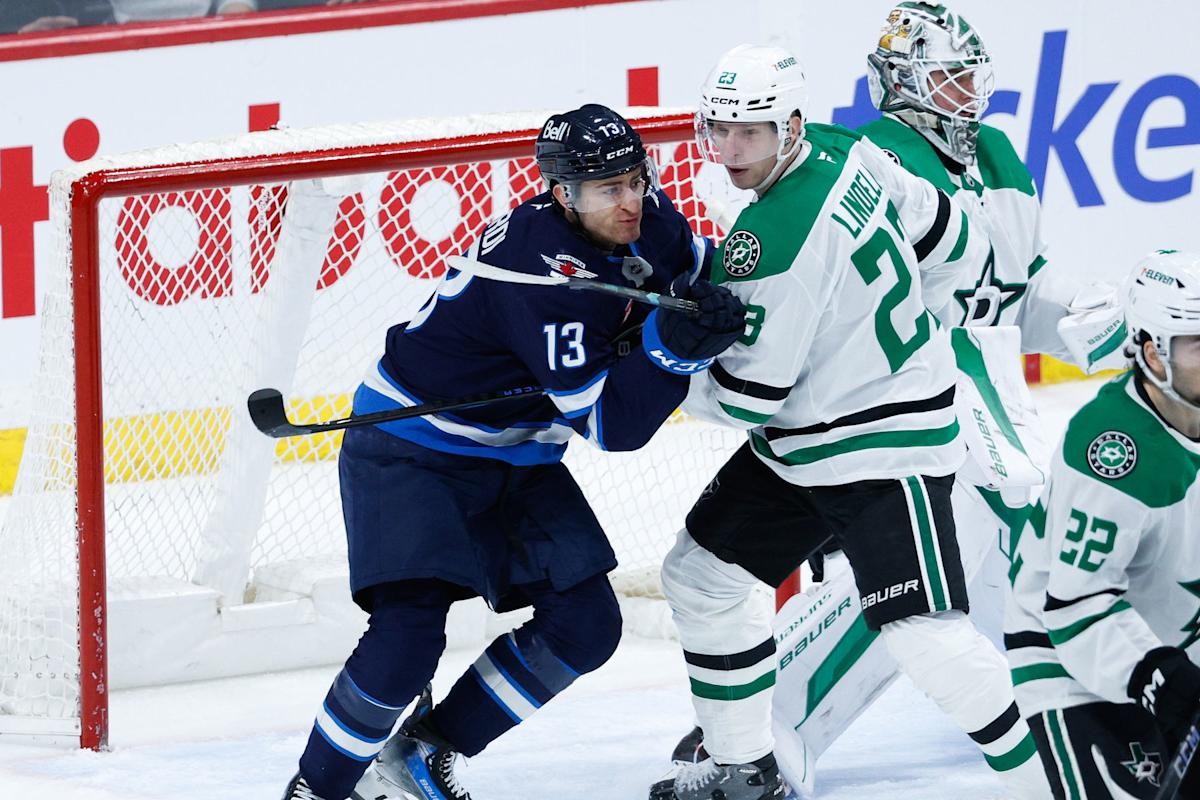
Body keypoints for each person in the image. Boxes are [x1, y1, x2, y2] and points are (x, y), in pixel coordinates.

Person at [280, 104, 746, 800]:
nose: (630, 201)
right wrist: (670, 352)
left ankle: (425, 752)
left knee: (587, 624)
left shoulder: (651, 221)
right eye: (607, 189)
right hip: (412, 451)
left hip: (519, 452)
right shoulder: (537, 276)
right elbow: (612, 427)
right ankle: (314, 791)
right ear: (563, 194)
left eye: (635, 180)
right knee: (408, 638)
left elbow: (702, 262)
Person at [757, 3, 1129, 795]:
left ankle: (776, 707)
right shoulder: (872, 160)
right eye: (949, 77)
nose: (969, 92)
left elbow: (1014, 295)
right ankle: (770, 715)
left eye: (970, 74)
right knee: (981, 536)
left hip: (996, 396)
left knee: (946, 574)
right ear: (902, 81)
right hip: (911, 400)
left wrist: (1085, 316)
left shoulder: (997, 154)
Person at [649, 42, 1036, 800]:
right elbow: (952, 240)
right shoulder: (846, 147)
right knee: (702, 575)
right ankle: (746, 770)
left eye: (749, 132)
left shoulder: (771, 244)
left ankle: (1058, 770)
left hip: (887, 449)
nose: (728, 150)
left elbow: (743, 399)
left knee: (922, 634)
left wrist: (652, 371)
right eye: (718, 129)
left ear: (789, 125)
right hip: (809, 443)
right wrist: (892, 331)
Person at [1005, 249, 1200, 798]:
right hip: (1070, 656)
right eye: (1197, 343)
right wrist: (1164, 681)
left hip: (1175, 645)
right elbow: (1076, 605)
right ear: (1151, 352)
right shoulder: (1114, 449)